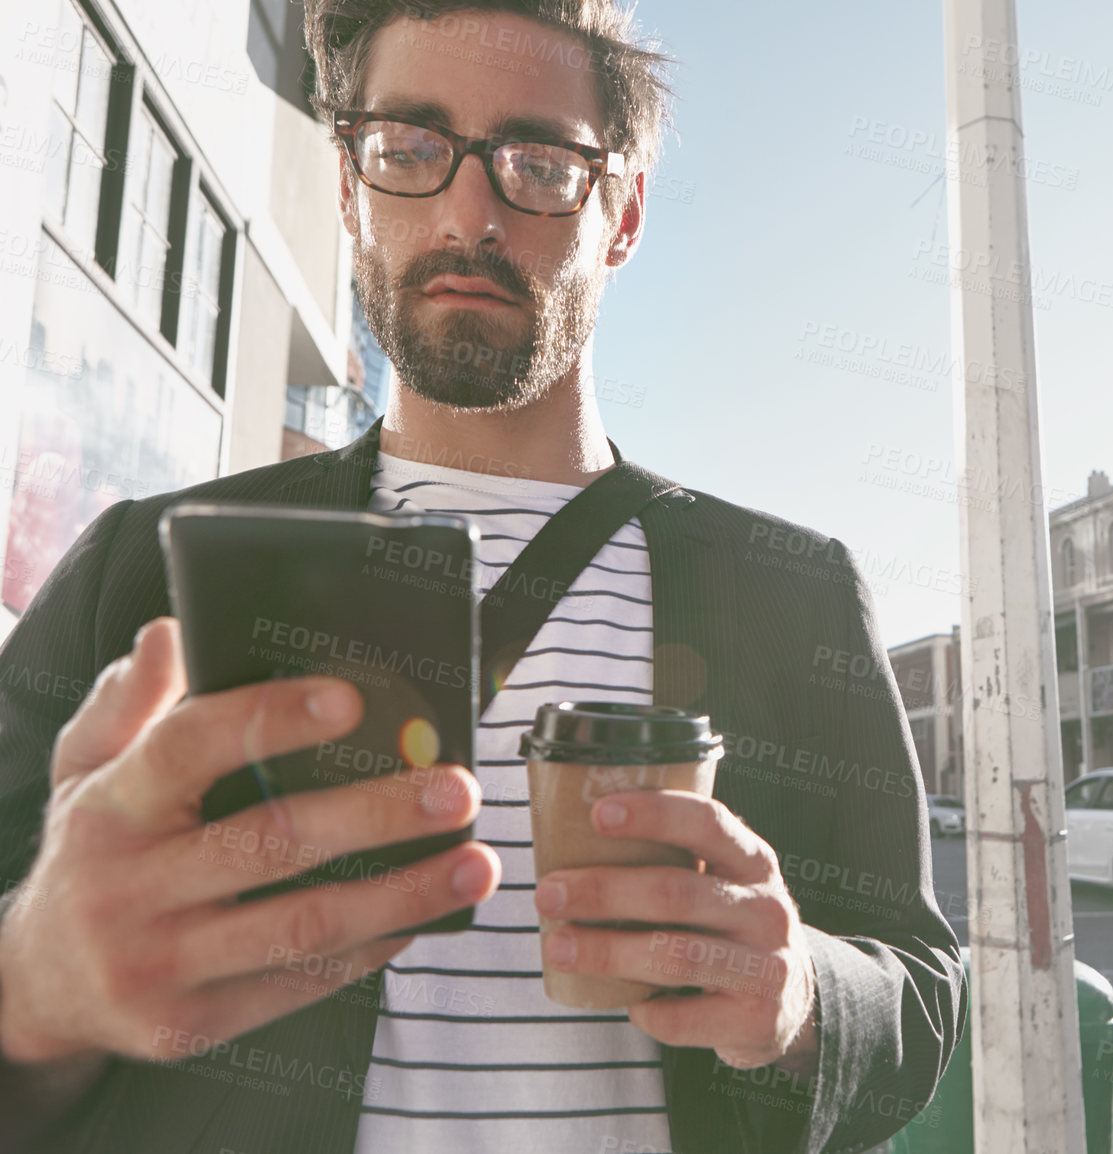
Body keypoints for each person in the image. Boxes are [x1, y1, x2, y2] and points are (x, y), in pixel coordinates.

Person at [0, 3, 965, 1152]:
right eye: (410, 147)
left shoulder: (794, 589)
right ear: (351, 186)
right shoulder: (136, 571)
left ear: (625, 212)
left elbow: (917, 991)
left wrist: (802, 994)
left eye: (539, 163)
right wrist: (35, 987)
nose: (470, 213)